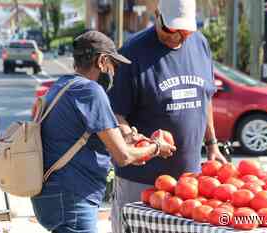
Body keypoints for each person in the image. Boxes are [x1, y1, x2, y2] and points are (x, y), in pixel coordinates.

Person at [30, 30, 176, 233]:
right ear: (102, 61)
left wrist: (128, 137)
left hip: (52, 196)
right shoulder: (91, 91)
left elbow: (91, 135)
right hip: (72, 200)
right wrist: (156, 147)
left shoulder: (64, 85)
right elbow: (123, 156)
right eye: (113, 65)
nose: (114, 72)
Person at [108, 1, 228, 232]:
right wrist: (131, 139)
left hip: (189, 181)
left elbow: (206, 98)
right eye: (171, 30)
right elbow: (115, 112)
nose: (178, 37)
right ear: (157, 16)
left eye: (185, 31)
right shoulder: (131, 53)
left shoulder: (200, 45)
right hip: (141, 180)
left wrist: (212, 144)